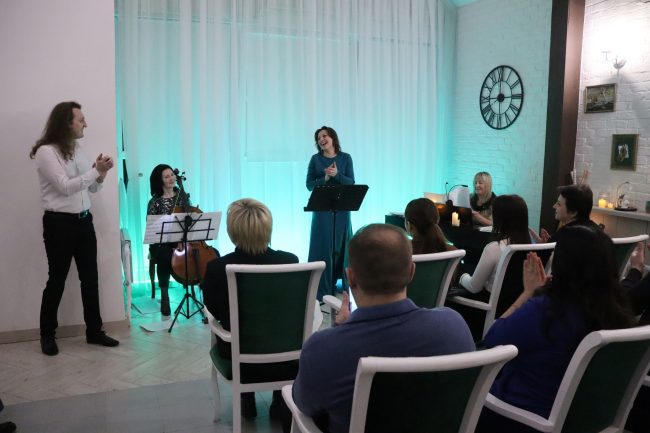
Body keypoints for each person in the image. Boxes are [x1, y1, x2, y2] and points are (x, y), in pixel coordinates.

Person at [292, 224, 475, 433]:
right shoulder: (454, 326)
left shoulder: (323, 349)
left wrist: (339, 330)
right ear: (412, 271)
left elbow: (303, 402)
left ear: (350, 277)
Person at [475, 226, 635, 433]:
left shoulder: (547, 311)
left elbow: (491, 339)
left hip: (520, 417)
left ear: (562, 265)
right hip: (584, 420)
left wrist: (528, 292)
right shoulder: (617, 313)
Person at [30, 101, 119, 356]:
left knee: (90, 278)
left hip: (84, 221)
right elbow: (65, 187)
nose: (85, 124)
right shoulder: (46, 152)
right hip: (59, 224)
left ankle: (94, 331)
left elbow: (91, 188)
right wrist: (95, 171)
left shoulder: (77, 148)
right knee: (56, 280)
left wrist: (101, 174)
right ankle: (47, 335)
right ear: (66, 123)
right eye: (81, 120)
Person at [201, 198, 298, 421]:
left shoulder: (217, 268)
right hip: (287, 356)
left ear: (232, 232)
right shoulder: (290, 261)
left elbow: (213, 310)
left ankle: (246, 397)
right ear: (268, 228)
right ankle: (279, 399)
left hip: (239, 357)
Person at [306, 126, 355, 300]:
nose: (321, 139)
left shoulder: (345, 158)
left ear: (333, 138)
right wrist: (325, 179)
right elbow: (309, 185)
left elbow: (351, 182)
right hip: (322, 210)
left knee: (341, 246)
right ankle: (322, 288)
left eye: (324, 136)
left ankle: (341, 286)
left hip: (342, 210)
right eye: (318, 138)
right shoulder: (315, 159)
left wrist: (337, 175)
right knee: (324, 245)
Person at [459, 195, 530, 295]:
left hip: (489, 301)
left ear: (500, 219)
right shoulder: (532, 247)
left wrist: (462, 277)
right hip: (520, 302)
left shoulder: (494, 249)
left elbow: (474, 287)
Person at [146, 164, 191, 316]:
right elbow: (152, 227)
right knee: (164, 254)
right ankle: (165, 296)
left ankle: (201, 292)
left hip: (183, 239)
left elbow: (191, 218)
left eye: (172, 175)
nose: (171, 178)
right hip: (161, 242)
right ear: (160, 181)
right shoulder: (155, 202)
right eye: (166, 177)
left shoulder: (182, 196)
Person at [531, 184, 599, 243]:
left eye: (559, 204)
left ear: (573, 212)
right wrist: (549, 243)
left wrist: (544, 247)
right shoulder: (599, 232)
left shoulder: (565, 235)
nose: (554, 206)